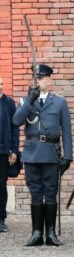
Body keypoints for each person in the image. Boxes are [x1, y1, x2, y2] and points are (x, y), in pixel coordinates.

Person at [13, 64, 72, 247]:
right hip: (31, 154)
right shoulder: (26, 101)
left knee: (51, 193)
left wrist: (68, 156)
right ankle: (37, 233)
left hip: (51, 153)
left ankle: (51, 233)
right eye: (37, 78)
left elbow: (67, 131)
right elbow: (16, 121)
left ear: (49, 80)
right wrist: (30, 101)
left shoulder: (59, 102)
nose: (39, 81)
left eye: (42, 78)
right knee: (36, 194)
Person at [0, 77, 19, 233]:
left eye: (1, 84)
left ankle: (1, 219)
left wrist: (13, 150)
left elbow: (15, 128)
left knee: (1, 185)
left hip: (3, 151)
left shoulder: (9, 103)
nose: (0, 87)